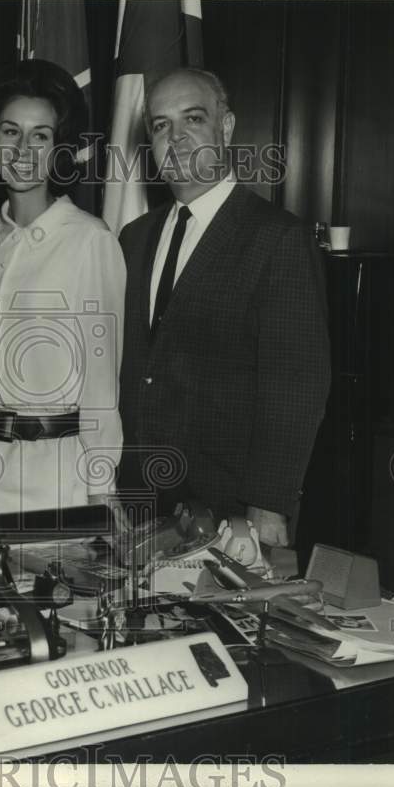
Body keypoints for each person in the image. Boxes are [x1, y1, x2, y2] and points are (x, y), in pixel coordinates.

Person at [117, 67, 331, 548]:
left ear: (226, 126)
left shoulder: (276, 237)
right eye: (160, 124)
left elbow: (296, 384)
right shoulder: (135, 239)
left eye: (193, 118)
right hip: (140, 506)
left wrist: (267, 506)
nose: (176, 137)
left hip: (232, 511)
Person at [0, 60, 126, 515]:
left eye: (40, 135)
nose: (23, 149)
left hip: (58, 478)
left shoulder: (90, 240)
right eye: (10, 132)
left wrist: (102, 489)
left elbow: (102, 385)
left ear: (58, 148)